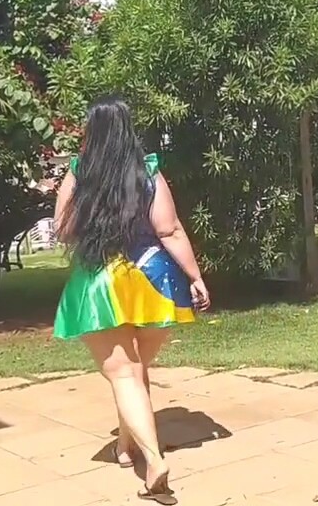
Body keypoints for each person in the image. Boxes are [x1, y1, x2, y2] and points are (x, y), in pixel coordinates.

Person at [53, 97, 210, 505]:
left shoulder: (79, 171)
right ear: (127, 129)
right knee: (135, 371)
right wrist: (195, 277)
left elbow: (62, 229)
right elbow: (170, 230)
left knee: (124, 374)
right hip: (152, 280)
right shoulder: (148, 171)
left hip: (100, 282)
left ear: (92, 131)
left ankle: (154, 461)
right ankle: (126, 445)